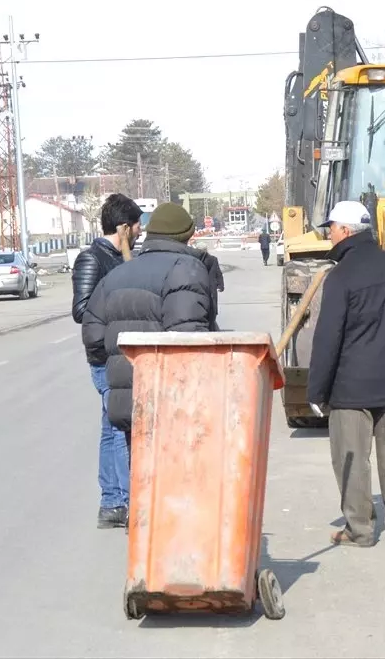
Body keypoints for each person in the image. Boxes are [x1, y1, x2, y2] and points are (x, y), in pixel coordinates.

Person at [306, 200, 385, 548]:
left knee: (351, 460)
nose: (329, 235)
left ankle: (359, 530)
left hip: (350, 387)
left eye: (331, 228)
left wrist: (316, 391)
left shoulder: (341, 276)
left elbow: (328, 338)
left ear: (345, 230)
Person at [82, 202, 216, 442]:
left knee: (137, 472)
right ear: (187, 235)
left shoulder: (117, 273)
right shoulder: (186, 269)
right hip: (171, 401)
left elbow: (93, 335)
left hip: (127, 404)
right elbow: (188, 341)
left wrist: (116, 366)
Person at [70, 193, 142, 529]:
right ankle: (121, 502)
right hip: (103, 356)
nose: (141, 231)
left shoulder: (121, 257)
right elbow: (82, 311)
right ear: (124, 227)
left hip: (119, 355)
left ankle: (112, 502)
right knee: (117, 428)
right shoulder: (92, 258)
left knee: (110, 425)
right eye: (137, 225)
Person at [200, 250, 224, 330]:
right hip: (211, 287)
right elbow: (218, 273)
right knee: (212, 308)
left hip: (201, 286)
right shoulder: (213, 259)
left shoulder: (195, 260)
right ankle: (211, 327)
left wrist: (221, 285)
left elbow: (218, 272)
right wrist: (221, 285)